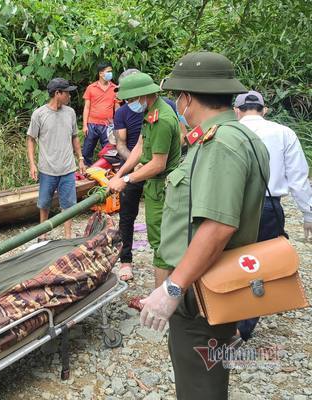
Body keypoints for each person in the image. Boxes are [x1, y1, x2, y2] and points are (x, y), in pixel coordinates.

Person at [138, 52, 269, 400]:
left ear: (188, 97)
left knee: (199, 385)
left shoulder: (220, 144)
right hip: (211, 288)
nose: (179, 103)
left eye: (179, 96)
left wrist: (172, 289)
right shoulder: (239, 137)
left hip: (201, 295)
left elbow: (218, 226)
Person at [233, 90, 312, 340]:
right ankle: (243, 325)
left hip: (233, 206)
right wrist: (308, 215)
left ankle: (222, 313)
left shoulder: (230, 132)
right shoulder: (284, 133)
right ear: (264, 109)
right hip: (269, 207)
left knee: (230, 261)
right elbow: (299, 179)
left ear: (237, 110)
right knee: (259, 266)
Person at [107, 72, 181, 290]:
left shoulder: (163, 119)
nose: (130, 105)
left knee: (161, 244)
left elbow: (158, 164)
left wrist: (127, 179)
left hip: (162, 186)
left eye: (131, 100)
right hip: (152, 184)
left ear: (143, 95)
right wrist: (120, 174)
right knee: (154, 237)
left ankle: (162, 298)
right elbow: (139, 147)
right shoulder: (151, 113)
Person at [27, 78, 86, 240]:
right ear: (57, 93)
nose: (69, 96)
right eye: (66, 92)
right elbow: (31, 139)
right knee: (44, 203)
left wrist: (80, 158)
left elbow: (75, 137)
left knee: (68, 205)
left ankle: (68, 236)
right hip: (47, 168)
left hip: (67, 168)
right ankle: (43, 234)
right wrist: (32, 164)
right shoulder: (39, 114)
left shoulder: (70, 113)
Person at [81, 62, 118, 165]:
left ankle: (106, 171)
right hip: (91, 124)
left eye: (111, 71)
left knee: (109, 151)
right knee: (87, 150)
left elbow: (117, 108)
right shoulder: (91, 88)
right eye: (108, 72)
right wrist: (85, 125)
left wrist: (117, 125)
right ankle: (85, 170)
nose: (111, 74)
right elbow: (86, 107)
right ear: (101, 73)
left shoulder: (115, 88)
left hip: (108, 125)